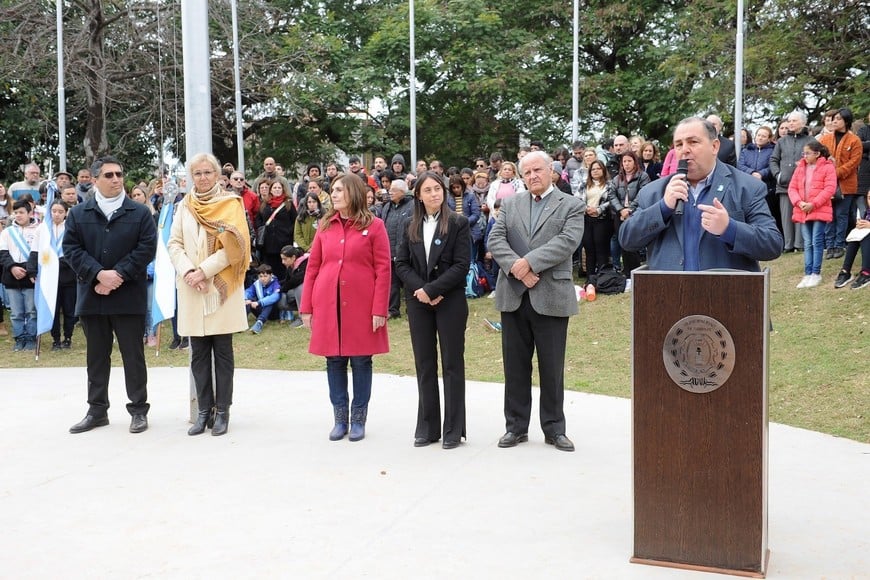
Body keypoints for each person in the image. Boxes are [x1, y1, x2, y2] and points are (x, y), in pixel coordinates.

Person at [487, 150, 584, 452]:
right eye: (526, 172)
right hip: (514, 296)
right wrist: (517, 269)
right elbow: (495, 240)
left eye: (537, 170)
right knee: (514, 366)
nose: (532, 176)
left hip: (551, 295)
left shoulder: (571, 205)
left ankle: (554, 428)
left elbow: (567, 242)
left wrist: (526, 263)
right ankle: (515, 427)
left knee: (551, 367)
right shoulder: (511, 204)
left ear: (551, 171)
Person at [63, 156, 157, 434]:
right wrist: (98, 275)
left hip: (128, 297)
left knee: (133, 356)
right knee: (96, 357)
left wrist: (117, 275)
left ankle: (138, 410)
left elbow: (146, 249)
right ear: (94, 180)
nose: (116, 179)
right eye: (109, 175)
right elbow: (71, 249)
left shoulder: (139, 213)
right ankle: (97, 410)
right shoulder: (78, 214)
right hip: (92, 296)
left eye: (119, 174)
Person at [619, 117, 783, 271]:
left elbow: (772, 244)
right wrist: (662, 208)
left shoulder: (747, 187)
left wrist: (729, 228)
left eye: (693, 142)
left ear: (714, 146)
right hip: (670, 295)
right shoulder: (653, 191)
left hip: (727, 295)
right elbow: (627, 240)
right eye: (678, 144)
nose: (685, 150)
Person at [300, 172, 391, 442]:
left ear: (353, 192)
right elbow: (313, 266)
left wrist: (379, 309)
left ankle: (358, 418)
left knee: (362, 360)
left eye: (340, 189)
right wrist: (307, 307)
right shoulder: (326, 225)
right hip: (328, 303)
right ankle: (340, 419)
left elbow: (383, 269)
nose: (335, 194)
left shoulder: (374, 226)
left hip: (362, 304)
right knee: (334, 360)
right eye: (334, 190)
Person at [168, 153, 251, 436]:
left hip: (219, 287)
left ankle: (223, 412)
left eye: (208, 172)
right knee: (198, 354)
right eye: (197, 173)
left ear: (218, 175)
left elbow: (235, 247)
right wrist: (190, 272)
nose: (202, 178)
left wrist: (204, 271)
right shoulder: (184, 207)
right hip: (192, 287)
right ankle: (204, 411)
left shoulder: (231, 204)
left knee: (223, 353)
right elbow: (174, 244)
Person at [395, 171, 471, 449]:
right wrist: (422, 291)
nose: (434, 194)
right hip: (418, 302)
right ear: (418, 195)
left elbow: (462, 265)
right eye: (428, 190)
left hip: (449, 301)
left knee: (452, 364)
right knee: (425, 364)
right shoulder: (409, 225)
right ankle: (427, 427)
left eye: (437, 189)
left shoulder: (458, 223)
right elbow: (401, 263)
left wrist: (434, 290)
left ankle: (453, 429)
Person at [28, 200, 78, 349]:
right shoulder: (42, 229)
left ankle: (68, 337)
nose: (56, 214)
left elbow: (76, 251)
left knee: (69, 309)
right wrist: (32, 270)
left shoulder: (71, 228)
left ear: (66, 213)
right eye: (54, 211)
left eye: (60, 211)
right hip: (49, 276)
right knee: (52, 308)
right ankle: (55, 338)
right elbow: (34, 251)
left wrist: (61, 262)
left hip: (68, 274)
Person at [788, 141, 836, 288]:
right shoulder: (801, 167)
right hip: (803, 210)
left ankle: (816, 273)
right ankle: (808, 273)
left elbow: (830, 189)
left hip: (818, 209)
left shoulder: (828, 167)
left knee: (817, 240)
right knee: (807, 242)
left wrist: (813, 204)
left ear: (817, 154)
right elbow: (792, 187)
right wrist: (799, 202)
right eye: (804, 153)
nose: (805, 156)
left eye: (808, 153)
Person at [818, 108, 862, 260]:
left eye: (838, 119)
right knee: (828, 215)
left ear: (846, 121)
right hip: (827, 184)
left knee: (841, 215)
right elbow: (819, 158)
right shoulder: (825, 139)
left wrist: (834, 172)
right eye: (833, 118)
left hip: (846, 184)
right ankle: (829, 246)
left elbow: (853, 163)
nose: (834, 121)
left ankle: (839, 244)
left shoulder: (854, 140)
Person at [770, 111, 813, 252]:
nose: (791, 123)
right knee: (786, 215)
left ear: (803, 122)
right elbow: (773, 160)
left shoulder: (810, 141)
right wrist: (778, 175)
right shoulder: (781, 141)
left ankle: (800, 244)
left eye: (794, 121)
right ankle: (788, 245)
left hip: (803, 185)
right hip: (784, 185)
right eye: (789, 121)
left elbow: (818, 159)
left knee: (801, 213)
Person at [0, 200, 39, 350]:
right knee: (16, 313)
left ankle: (30, 338)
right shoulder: (7, 232)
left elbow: (38, 253)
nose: (18, 215)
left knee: (31, 311)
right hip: (11, 276)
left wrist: (29, 270)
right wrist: (12, 267)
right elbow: (2, 253)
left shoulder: (39, 230)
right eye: (16, 213)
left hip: (30, 276)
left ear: (30, 213)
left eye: (22, 212)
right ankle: (19, 338)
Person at [611, 151, 651, 273]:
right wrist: (621, 210)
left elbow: (643, 193)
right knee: (622, 242)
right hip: (620, 215)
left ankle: (635, 271)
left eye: (629, 161)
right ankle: (627, 272)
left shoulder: (642, 176)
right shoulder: (617, 178)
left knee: (632, 243)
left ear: (634, 162)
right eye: (624, 161)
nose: (627, 164)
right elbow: (611, 195)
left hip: (635, 214)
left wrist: (630, 209)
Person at [380, 178, 414, 319]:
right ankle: (393, 310)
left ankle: (411, 309)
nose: (390, 192)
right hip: (389, 250)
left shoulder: (412, 205)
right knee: (391, 282)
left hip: (405, 250)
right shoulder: (387, 206)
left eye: (393, 190)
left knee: (408, 281)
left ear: (402, 191)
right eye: (389, 190)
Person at [579, 160, 614, 282]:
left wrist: (599, 209)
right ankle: (590, 277)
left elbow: (612, 201)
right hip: (587, 219)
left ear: (603, 170)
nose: (595, 171)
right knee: (588, 247)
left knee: (601, 247)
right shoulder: (584, 184)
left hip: (602, 220)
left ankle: (602, 277)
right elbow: (577, 198)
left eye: (598, 168)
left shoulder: (609, 184)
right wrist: (585, 208)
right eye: (593, 169)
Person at [256, 180, 297, 279]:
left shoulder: (288, 204)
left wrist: (288, 232)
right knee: (269, 266)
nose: (277, 190)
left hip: (284, 241)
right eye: (275, 188)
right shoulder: (265, 204)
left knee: (282, 267)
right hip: (268, 243)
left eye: (279, 188)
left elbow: (295, 220)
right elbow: (259, 219)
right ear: (270, 190)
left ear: (283, 189)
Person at [833, 189, 870, 289]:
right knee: (855, 237)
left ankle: (866, 273)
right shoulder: (867, 212)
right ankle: (846, 271)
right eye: (869, 198)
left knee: (866, 236)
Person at [244, 263, 281, 334]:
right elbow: (248, 292)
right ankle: (242, 322)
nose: (263, 279)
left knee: (269, 302)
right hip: (260, 310)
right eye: (260, 276)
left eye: (265, 276)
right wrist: (246, 299)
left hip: (273, 313)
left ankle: (259, 323)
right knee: (249, 301)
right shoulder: (257, 284)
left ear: (271, 275)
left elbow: (275, 296)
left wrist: (259, 302)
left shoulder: (275, 284)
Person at [277, 245, 308, 326]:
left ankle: (302, 317)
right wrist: (276, 285)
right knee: (283, 296)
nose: (282, 262)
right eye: (282, 259)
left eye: (285, 259)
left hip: (313, 291)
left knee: (299, 288)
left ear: (293, 257)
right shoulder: (291, 266)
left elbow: (297, 280)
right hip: (299, 292)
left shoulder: (306, 262)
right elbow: (287, 281)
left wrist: (282, 288)